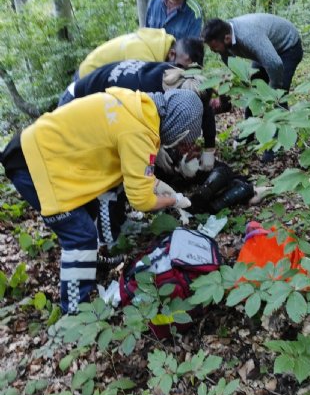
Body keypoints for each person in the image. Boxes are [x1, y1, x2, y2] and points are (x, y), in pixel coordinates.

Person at [1, 88, 203, 314]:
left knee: (92, 209)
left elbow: (135, 172)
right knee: (80, 236)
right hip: (34, 162)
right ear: (177, 126)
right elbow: (141, 200)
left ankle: (92, 263)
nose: (178, 144)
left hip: (44, 151)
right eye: (182, 138)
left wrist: (155, 185)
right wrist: (173, 200)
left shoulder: (137, 107)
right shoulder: (139, 130)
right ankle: (76, 313)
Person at [58, 60, 216, 173]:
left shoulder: (185, 79)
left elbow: (204, 110)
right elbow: (132, 135)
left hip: (102, 102)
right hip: (78, 98)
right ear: (180, 99)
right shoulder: (145, 92)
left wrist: (209, 149)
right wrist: (156, 149)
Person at [202, 14, 303, 92]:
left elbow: (275, 64)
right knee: (254, 91)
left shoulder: (248, 36)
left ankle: (280, 116)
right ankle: (250, 119)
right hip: (265, 49)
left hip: (288, 46)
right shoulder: (222, 35)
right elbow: (232, 63)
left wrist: (272, 91)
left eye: (214, 47)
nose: (213, 51)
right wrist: (245, 84)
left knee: (279, 96)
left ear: (227, 38)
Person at [78, 28, 204, 78]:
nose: (180, 72)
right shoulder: (142, 55)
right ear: (172, 54)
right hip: (88, 77)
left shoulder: (158, 46)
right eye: (180, 67)